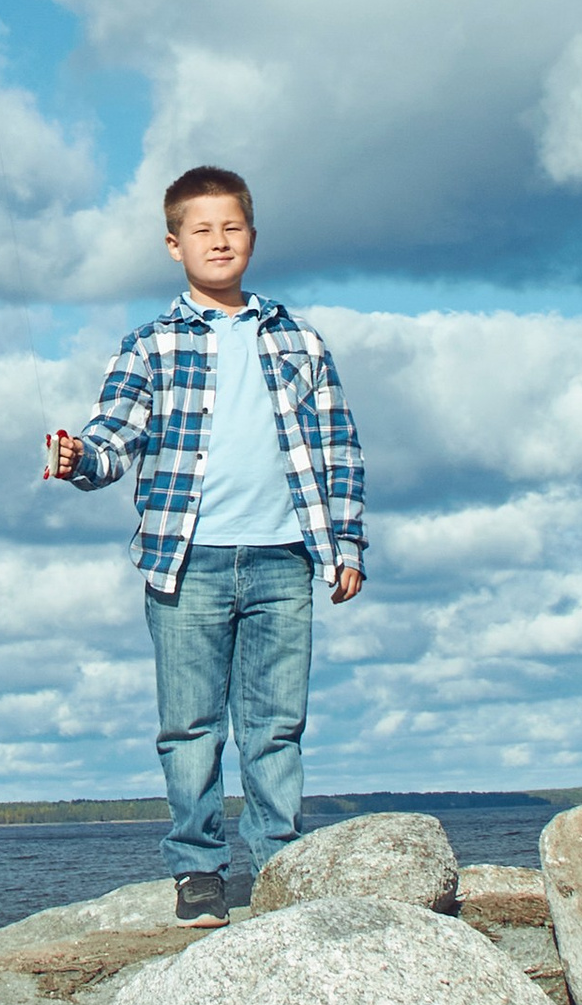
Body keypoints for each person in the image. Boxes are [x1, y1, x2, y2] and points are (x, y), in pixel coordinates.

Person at [48, 163, 364, 922]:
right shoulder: (149, 346)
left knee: (275, 727)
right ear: (174, 244)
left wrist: (346, 545)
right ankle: (198, 870)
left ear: (252, 236)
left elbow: (339, 446)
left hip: (286, 558)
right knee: (189, 728)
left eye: (232, 228)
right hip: (184, 563)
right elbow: (112, 439)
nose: (218, 241)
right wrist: (78, 458)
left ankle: (281, 864)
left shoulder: (299, 340)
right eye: (202, 230)